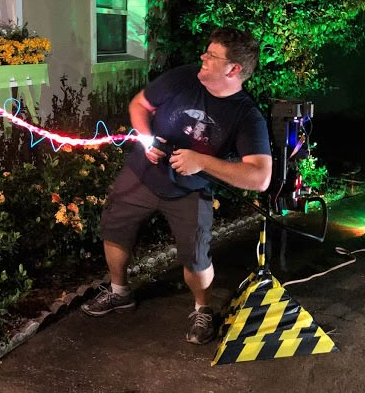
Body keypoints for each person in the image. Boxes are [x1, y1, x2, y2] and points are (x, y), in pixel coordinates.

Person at [81, 27, 272, 344]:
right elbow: (139, 105)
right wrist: (147, 140)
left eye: (211, 55)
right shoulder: (184, 77)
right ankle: (119, 292)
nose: (203, 57)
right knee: (114, 226)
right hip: (141, 175)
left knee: (196, 257)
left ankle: (203, 308)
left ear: (234, 69)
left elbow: (260, 177)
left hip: (190, 190)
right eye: (206, 51)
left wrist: (202, 162)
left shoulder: (246, 116)